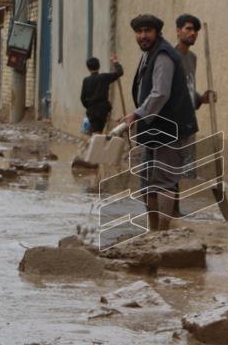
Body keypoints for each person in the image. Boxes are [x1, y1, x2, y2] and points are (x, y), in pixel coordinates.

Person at [119, 14, 199, 232]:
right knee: (147, 182)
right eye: (139, 31)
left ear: (157, 33)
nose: (143, 35)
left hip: (170, 129)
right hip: (154, 128)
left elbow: (160, 93)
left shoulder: (163, 55)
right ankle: (153, 231)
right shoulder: (148, 54)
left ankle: (162, 233)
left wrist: (136, 115)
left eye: (148, 31)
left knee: (163, 181)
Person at [173, 13, 217, 216]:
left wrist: (202, 98)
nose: (192, 33)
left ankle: (174, 211)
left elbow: (189, 90)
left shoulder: (192, 58)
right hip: (173, 121)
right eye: (188, 28)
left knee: (183, 170)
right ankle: (170, 212)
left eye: (195, 30)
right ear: (178, 30)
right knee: (169, 168)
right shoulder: (170, 57)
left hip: (188, 121)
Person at [80, 56, 123, 134]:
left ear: (88, 68)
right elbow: (119, 72)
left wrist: (89, 107)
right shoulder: (104, 77)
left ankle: (95, 144)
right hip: (102, 110)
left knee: (95, 133)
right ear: (99, 66)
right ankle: (97, 145)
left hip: (92, 111)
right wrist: (115, 62)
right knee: (97, 134)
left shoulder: (86, 80)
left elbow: (82, 98)